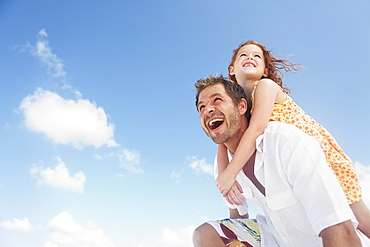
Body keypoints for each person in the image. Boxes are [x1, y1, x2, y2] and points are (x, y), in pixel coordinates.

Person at [215, 40, 370, 237]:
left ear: (264, 70)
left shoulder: (265, 85)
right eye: (243, 55)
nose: (250, 58)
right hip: (294, 162)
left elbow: (256, 129)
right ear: (232, 69)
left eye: (257, 56)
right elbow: (223, 138)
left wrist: (230, 173)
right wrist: (225, 178)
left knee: (361, 218)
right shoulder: (240, 104)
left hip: (322, 155)